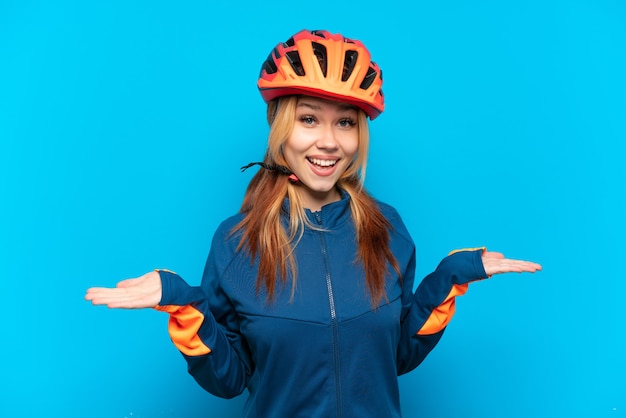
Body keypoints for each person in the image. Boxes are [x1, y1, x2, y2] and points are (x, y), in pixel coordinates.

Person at [85, 29, 541, 417]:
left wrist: (449, 278)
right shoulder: (234, 243)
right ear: (280, 126)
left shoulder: (387, 229)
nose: (328, 142)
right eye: (308, 119)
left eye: (345, 123)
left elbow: (395, 354)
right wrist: (184, 304)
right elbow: (230, 380)